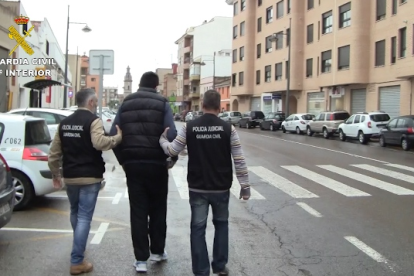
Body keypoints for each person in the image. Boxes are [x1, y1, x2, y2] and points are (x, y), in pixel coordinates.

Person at [159, 89, 250, 276]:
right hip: (221, 186)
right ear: (219, 107)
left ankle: (201, 270)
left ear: (202, 105)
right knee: (222, 225)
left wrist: (162, 141)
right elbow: (239, 159)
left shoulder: (190, 127)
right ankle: (219, 266)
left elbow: (172, 150)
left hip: (197, 186)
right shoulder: (228, 129)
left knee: (198, 228)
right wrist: (245, 186)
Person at [48, 88, 122, 275]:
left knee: (75, 212)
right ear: (90, 102)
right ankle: (77, 261)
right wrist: (117, 138)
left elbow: (54, 153)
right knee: (84, 217)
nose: (95, 105)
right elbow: (99, 143)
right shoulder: (93, 121)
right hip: (90, 177)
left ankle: (78, 246)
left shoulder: (64, 123)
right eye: (95, 102)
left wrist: (56, 174)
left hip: (71, 177)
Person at [110, 71, 177, 273]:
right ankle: (157, 251)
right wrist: (170, 158)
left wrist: (123, 160)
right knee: (158, 209)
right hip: (157, 165)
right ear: (156, 85)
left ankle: (140, 260)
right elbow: (171, 133)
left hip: (133, 166)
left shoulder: (126, 102)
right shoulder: (163, 103)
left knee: (138, 211)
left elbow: (114, 134)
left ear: (138, 84)